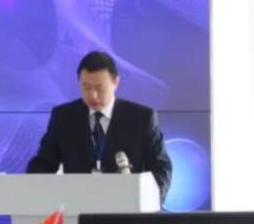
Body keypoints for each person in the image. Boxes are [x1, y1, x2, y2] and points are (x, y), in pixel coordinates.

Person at [26, 51, 171, 201]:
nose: (93, 95)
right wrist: (34, 189)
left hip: (127, 208)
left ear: (116, 83)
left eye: (100, 88)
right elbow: (44, 162)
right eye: (86, 87)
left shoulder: (142, 118)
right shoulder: (63, 117)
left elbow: (161, 167)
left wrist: (149, 200)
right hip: (76, 208)